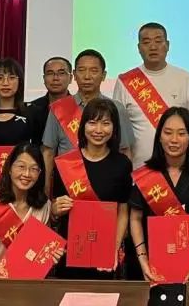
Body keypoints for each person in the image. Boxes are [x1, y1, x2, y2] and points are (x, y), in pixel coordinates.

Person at [129, 107, 189, 283]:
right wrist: (143, 260)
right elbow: (135, 218)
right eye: (168, 133)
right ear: (159, 136)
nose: (174, 140)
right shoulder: (145, 175)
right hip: (153, 265)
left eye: (181, 133)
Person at [50, 98, 133, 278]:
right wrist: (55, 209)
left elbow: (123, 211)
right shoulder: (66, 163)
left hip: (105, 250)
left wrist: (114, 247)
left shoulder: (122, 164)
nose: (98, 130)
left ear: (114, 127)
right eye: (92, 123)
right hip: (72, 249)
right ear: (83, 126)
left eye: (106, 123)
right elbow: (54, 207)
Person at [41, 49, 133, 192]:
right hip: (69, 185)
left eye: (94, 71)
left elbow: (125, 150)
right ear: (74, 75)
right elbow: (48, 152)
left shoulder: (117, 108)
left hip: (108, 184)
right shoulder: (59, 108)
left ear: (103, 75)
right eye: (82, 70)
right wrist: (46, 191)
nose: (87, 76)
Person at [0, 143, 55, 278]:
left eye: (34, 169)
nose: (27, 174)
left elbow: (38, 253)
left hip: (28, 285)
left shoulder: (44, 206)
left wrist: (50, 255)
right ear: (9, 169)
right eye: (21, 166)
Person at [112, 23, 189, 168]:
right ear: (139, 48)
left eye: (158, 41)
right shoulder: (125, 81)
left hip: (178, 168)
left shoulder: (185, 79)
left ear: (167, 45)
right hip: (138, 169)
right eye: (146, 42)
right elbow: (119, 130)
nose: (153, 47)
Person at [27, 56, 73, 143]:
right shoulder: (31, 109)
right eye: (50, 73)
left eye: (61, 73)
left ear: (70, 78)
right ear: (44, 78)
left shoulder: (79, 107)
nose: (55, 78)